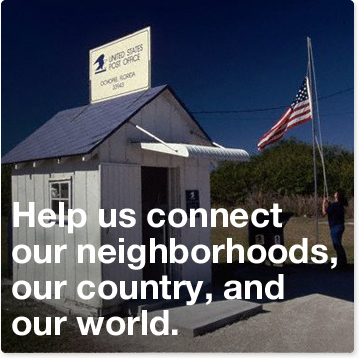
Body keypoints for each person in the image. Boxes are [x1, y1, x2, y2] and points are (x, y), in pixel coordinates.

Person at [322, 189, 348, 268]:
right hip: (340, 226)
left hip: (335, 227)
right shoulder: (338, 204)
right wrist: (329, 204)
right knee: (338, 245)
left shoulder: (334, 205)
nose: (334, 193)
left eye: (335, 193)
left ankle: (342, 263)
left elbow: (324, 213)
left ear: (337, 195)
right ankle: (342, 261)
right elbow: (333, 210)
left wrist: (323, 203)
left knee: (337, 245)